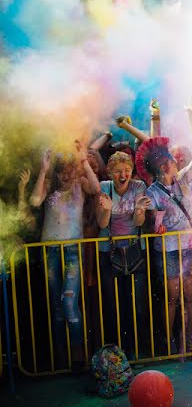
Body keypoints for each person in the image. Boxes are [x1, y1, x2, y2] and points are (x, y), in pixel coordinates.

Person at [142, 117, 192, 354]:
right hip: (168, 251)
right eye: (170, 161)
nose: (175, 163)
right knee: (172, 298)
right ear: (163, 167)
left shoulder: (183, 180)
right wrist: (155, 222)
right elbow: (152, 220)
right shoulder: (152, 191)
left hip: (188, 246)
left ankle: (188, 337)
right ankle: (169, 341)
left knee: (191, 293)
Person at [30, 141, 102, 369]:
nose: (66, 175)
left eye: (71, 169)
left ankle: (78, 355)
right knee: (57, 306)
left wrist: (83, 161)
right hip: (50, 251)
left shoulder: (80, 185)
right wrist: (44, 170)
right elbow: (34, 200)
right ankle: (62, 357)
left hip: (72, 251)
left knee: (69, 302)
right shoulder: (49, 185)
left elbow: (97, 188)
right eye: (62, 170)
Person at [96, 151, 151, 359]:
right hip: (109, 252)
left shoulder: (138, 186)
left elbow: (138, 223)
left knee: (136, 304)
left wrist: (138, 211)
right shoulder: (104, 187)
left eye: (127, 170)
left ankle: (136, 351)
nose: (123, 174)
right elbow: (102, 223)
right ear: (110, 172)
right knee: (112, 304)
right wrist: (107, 210)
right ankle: (115, 355)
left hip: (135, 250)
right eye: (118, 171)